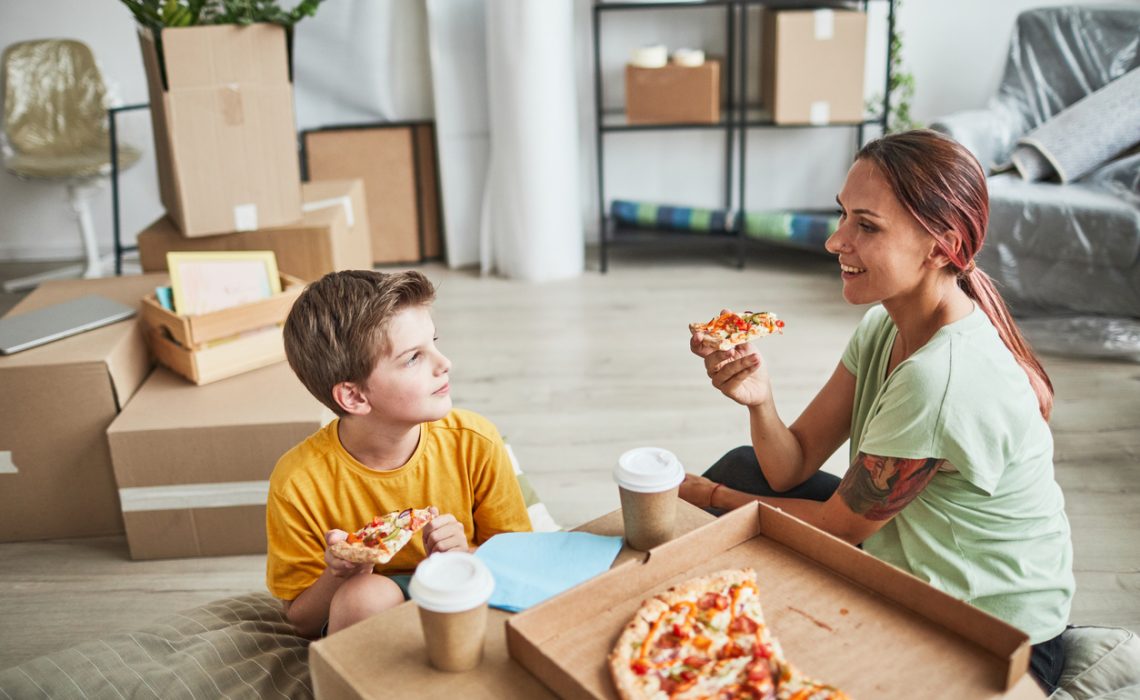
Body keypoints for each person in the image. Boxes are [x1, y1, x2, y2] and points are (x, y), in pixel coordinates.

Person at [679, 130, 1073, 693]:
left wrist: (708, 499)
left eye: (867, 226)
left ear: (940, 246)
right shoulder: (885, 325)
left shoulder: (940, 378)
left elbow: (837, 530)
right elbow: (785, 469)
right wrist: (760, 400)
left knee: (724, 504)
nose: (836, 241)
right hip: (903, 553)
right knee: (744, 466)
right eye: (844, 216)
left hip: (999, 634)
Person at [266, 270, 532, 638]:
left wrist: (465, 555)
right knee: (365, 593)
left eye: (434, 342)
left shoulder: (476, 441)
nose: (444, 363)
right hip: (364, 617)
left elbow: (521, 567)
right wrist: (341, 574)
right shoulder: (297, 481)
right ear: (355, 397)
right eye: (413, 358)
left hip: (462, 596)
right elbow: (301, 621)